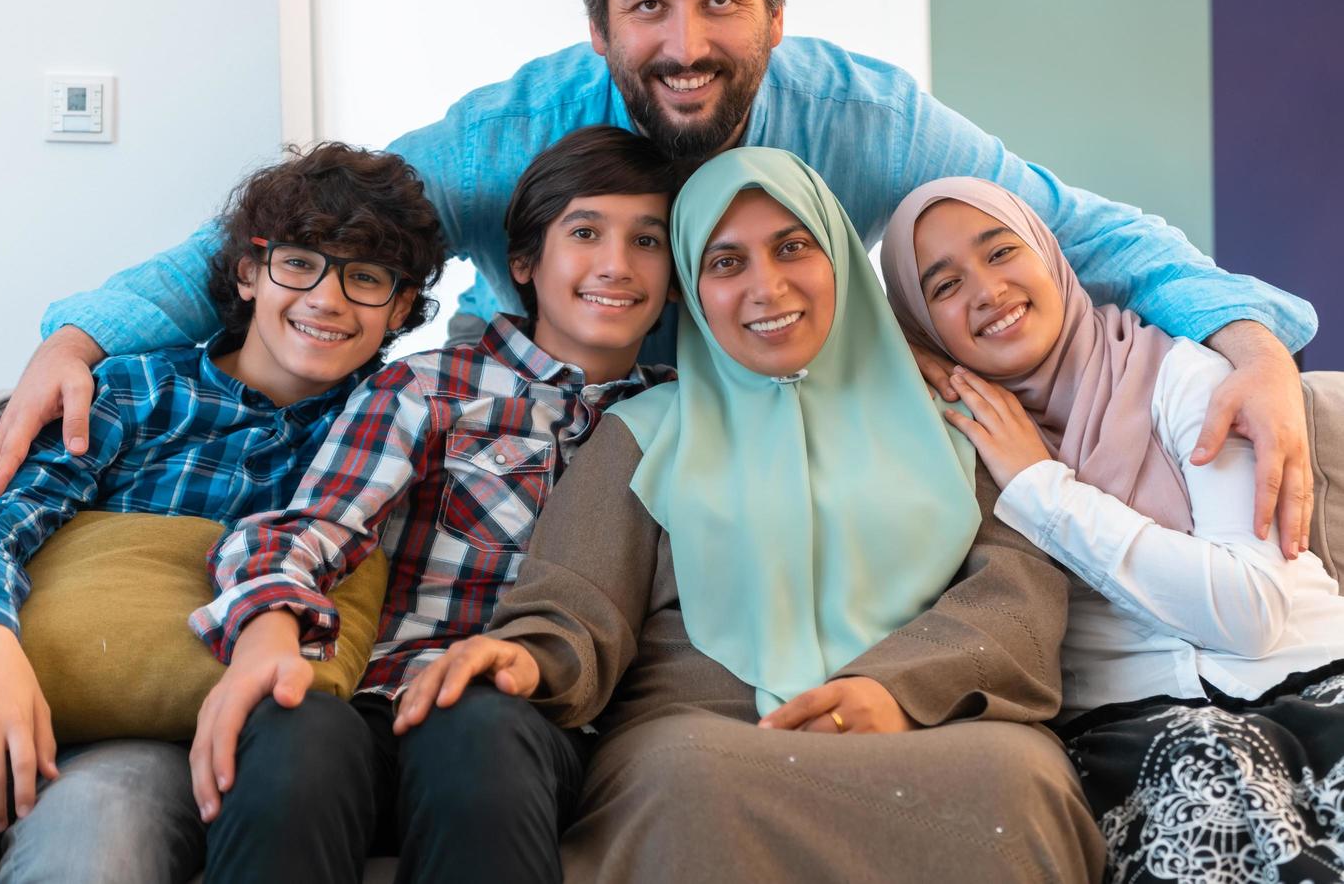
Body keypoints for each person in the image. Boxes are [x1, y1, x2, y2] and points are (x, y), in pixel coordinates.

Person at [0, 0, 1317, 560]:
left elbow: (1064, 226)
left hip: (755, 445)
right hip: (548, 470)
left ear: (773, 17)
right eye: (650, 10)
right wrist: (84, 326)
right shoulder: (518, 130)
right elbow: (323, 227)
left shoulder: (858, 114)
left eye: (720, 3)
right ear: (603, 27)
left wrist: (1244, 331)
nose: (685, 43)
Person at [394, 147, 1107, 882]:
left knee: (1013, 778)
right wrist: (527, 655)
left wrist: (894, 690)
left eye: (793, 247)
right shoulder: (644, 430)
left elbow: (1016, 591)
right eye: (727, 263)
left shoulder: (958, 422)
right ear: (692, 292)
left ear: (840, 257)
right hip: (707, 733)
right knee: (687, 775)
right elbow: (575, 602)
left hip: (932, 721)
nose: (767, 287)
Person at [0, 143, 445, 882]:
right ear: (248, 272)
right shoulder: (136, 390)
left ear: (401, 306)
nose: (326, 299)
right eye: (299, 263)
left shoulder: (385, 431)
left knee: (101, 817)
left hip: (150, 742)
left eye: (365, 278)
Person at [185, 126, 679, 884]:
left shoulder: (682, 417)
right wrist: (267, 631)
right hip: (384, 704)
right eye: (585, 232)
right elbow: (315, 528)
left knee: (475, 721)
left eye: (647, 241)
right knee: (295, 727)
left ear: (676, 274)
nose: (616, 264)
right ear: (524, 262)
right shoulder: (429, 387)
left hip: (539, 725)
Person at [880, 177, 1344, 883]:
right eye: (943, 287)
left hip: (1316, 678)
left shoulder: (1182, 376)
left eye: (1002, 251)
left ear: (1049, 256)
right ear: (919, 324)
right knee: (1199, 794)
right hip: (1137, 728)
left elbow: (1251, 613)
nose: (987, 291)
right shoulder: (951, 444)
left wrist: (1041, 488)